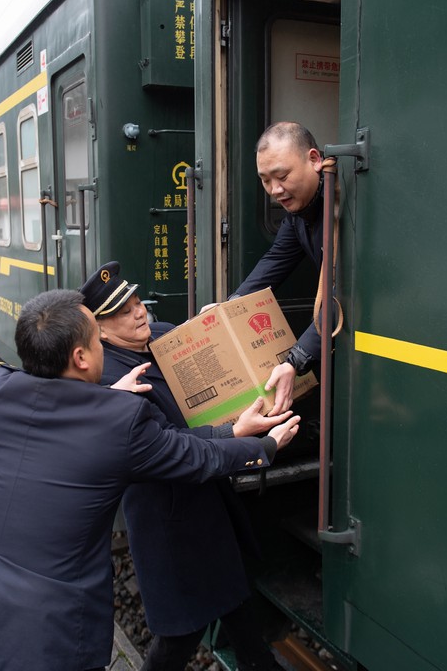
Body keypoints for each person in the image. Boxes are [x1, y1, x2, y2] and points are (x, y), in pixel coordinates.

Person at [0, 289, 300, 671]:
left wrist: (98, 398)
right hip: (40, 641)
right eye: (96, 336)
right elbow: (195, 457)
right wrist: (264, 445)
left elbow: (50, 404)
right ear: (82, 357)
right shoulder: (116, 423)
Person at [80, 262, 284, 671]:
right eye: (123, 312)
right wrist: (235, 434)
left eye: (137, 302)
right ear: (99, 330)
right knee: (180, 632)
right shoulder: (112, 380)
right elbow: (166, 447)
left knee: (236, 600)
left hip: (210, 499)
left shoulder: (161, 336)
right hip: (169, 520)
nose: (139, 313)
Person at [228, 121, 334, 415]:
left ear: (314, 160)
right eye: (265, 180)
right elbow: (277, 259)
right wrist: (231, 306)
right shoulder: (299, 208)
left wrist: (295, 361)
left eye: (282, 176)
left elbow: (346, 294)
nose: (275, 190)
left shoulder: (343, 205)